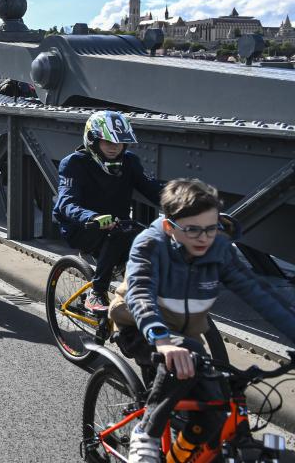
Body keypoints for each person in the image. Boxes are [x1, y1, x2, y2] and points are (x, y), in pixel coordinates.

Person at [120, 179, 295, 463]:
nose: (203, 238)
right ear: (169, 227)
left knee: (214, 412)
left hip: (186, 335)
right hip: (140, 328)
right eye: (192, 229)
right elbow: (140, 293)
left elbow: (261, 295)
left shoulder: (219, 250)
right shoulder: (151, 244)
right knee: (187, 354)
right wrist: (162, 341)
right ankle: (146, 432)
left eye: (211, 228)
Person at [53, 110, 162, 313]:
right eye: (108, 142)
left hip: (118, 224)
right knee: (121, 232)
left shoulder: (129, 161)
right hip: (83, 228)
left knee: (153, 241)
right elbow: (66, 203)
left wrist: (185, 205)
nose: (114, 148)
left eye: (119, 143)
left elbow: (153, 189)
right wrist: (91, 216)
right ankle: (97, 292)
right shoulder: (74, 164)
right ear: (93, 141)